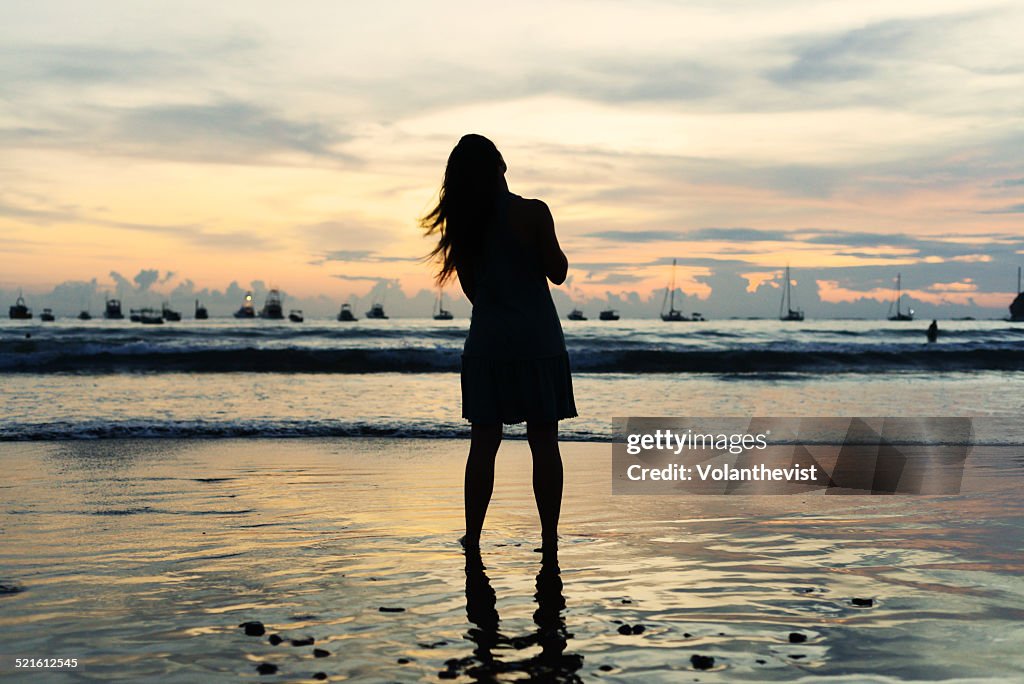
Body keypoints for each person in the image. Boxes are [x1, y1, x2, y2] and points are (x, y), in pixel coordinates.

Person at [422, 134, 577, 552]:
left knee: (483, 445)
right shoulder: (533, 212)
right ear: (501, 166)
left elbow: (474, 291)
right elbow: (558, 272)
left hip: (488, 343)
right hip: (538, 341)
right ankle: (549, 537)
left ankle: (472, 535)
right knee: (543, 442)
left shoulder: (465, 227)